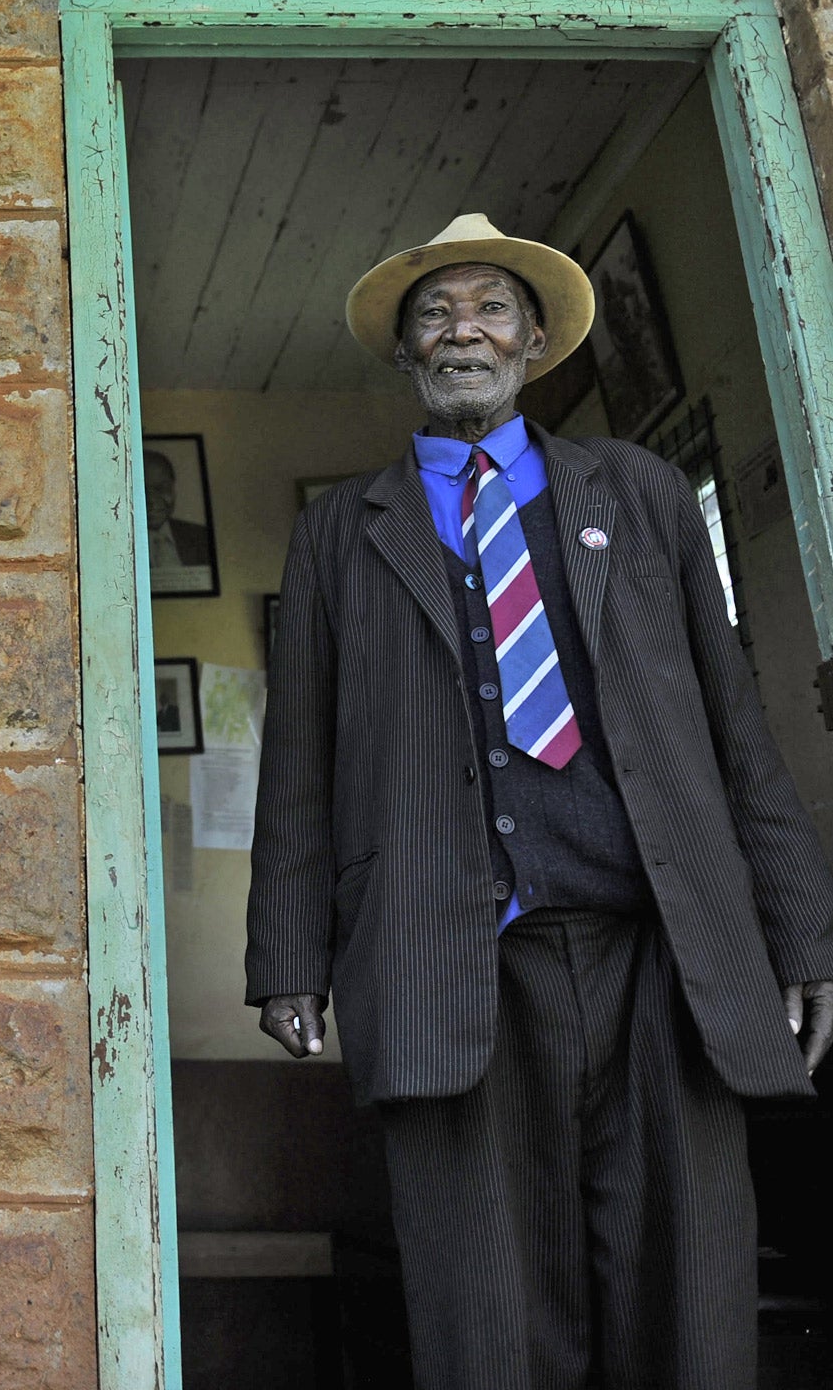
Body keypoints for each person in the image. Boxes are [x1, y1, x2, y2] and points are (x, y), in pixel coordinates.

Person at [245, 213, 833, 1389]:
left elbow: (733, 726)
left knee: (686, 1295)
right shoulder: (333, 534)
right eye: (434, 314)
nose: (462, 330)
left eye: (489, 309)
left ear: (532, 343)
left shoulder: (645, 492)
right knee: (486, 1315)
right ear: (405, 352)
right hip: (446, 949)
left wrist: (799, 925)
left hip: (660, 955)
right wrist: (285, 954)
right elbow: (296, 758)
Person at [145, 447, 214, 569]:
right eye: (141, 491)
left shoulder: (203, 537)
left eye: (161, 488)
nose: (151, 502)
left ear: (173, 489)